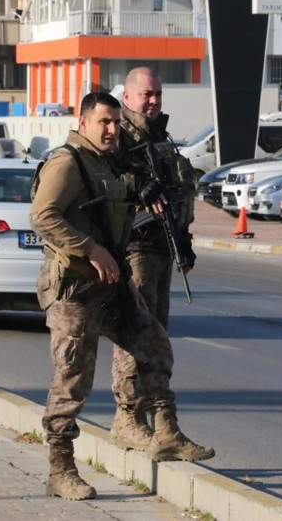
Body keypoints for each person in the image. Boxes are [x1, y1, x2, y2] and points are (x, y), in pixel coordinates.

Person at [29, 92, 212, 501]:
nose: (112, 130)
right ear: (83, 121)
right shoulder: (68, 161)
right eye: (103, 123)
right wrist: (89, 250)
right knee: (72, 381)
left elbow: (113, 226)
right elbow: (43, 216)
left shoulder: (106, 162)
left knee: (153, 344)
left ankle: (166, 431)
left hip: (111, 286)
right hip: (74, 291)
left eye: (115, 122)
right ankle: (61, 469)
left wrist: (127, 277)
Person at [108, 67, 204, 454]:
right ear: (127, 96)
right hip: (135, 249)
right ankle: (128, 418)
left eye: (158, 95)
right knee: (136, 333)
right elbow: (108, 181)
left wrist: (184, 237)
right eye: (146, 94)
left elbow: (178, 191)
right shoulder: (118, 137)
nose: (153, 101)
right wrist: (137, 185)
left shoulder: (160, 139)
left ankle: (151, 420)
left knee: (156, 335)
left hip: (163, 249)